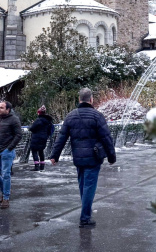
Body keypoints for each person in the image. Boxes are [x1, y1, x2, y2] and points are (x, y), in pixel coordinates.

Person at [50, 88, 116, 228]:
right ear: (91, 99)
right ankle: (85, 218)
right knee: (89, 187)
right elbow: (106, 138)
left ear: (79, 99)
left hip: (78, 158)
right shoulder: (97, 116)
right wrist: (111, 156)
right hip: (94, 157)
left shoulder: (71, 116)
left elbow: (61, 138)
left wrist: (55, 155)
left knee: (83, 186)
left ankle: (86, 211)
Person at [0, 100, 22, 209]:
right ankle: (5, 191)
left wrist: (9, 148)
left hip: (7, 151)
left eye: (1, 108)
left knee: (6, 174)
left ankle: (6, 198)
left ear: (8, 109)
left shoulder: (14, 120)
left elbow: (19, 135)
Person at [29, 105, 54, 171]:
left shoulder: (38, 120)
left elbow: (32, 128)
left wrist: (32, 124)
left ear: (39, 113)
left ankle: (36, 166)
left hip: (36, 138)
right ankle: (42, 166)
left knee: (34, 151)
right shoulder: (48, 121)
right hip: (44, 138)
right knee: (41, 151)